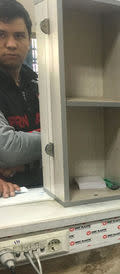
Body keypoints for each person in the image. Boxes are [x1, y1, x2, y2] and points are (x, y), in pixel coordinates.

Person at [0, 0, 41, 198]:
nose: (11, 44)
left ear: (28, 40)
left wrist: (24, 164)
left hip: (47, 190)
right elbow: (8, 149)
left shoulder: (39, 84)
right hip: (9, 198)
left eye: (19, 35)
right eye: (1, 35)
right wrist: (60, 140)